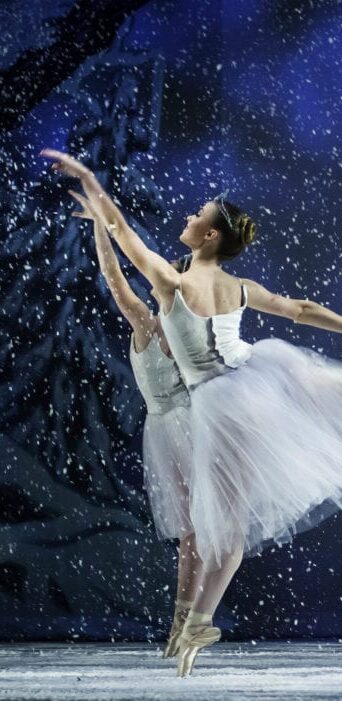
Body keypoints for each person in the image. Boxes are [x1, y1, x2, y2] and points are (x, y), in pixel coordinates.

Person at [43, 149, 342, 676]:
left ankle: (197, 619)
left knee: (226, 528)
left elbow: (125, 237)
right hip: (258, 377)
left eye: (197, 215)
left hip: (222, 401)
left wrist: (90, 179)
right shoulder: (241, 289)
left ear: (211, 236)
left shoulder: (171, 285)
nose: (188, 217)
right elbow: (301, 310)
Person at [68, 190, 197, 658]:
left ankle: (187, 622)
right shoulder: (146, 321)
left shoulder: (186, 328)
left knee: (200, 533)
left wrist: (103, 225)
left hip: (194, 426)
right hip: (169, 429)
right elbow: (114, 278)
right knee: (193, 533)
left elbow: (117, 278)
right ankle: (184, 621)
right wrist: (102, 226)